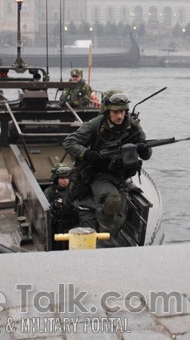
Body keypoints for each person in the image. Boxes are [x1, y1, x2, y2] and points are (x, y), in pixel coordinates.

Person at [63, 91, 151, 242]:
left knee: (118, 215)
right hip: (99, 174)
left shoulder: (133, 127)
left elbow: (147, 154)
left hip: (121, 175)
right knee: (113, 200)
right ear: (108, 111)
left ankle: (106, 235)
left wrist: (143, 149)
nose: (119, 116)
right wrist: (88, 153)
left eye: (122, 112)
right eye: (115, 112)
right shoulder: (96, 125)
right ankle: (103, 238)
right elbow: (69, 142)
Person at [44, 163, 78, 235]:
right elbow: (45, 208)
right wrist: (54, 205)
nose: (65, 180)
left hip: (73, 225)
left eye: (67, 178)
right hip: (57, 226)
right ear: (56, 179)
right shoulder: (49, 192)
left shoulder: (73, 190)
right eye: (62, 178)